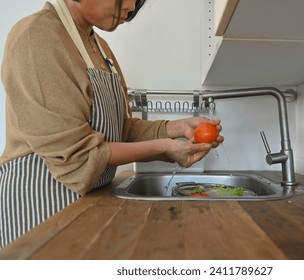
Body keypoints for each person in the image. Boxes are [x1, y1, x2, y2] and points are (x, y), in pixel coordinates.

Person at [0, 0, 223, 248]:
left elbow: (120, 130)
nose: (131, 5)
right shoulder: (36, 37)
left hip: (84, 205)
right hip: (41, 209)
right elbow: (77, 156)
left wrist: (178, 128)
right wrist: (165, 147)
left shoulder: (99, 47)